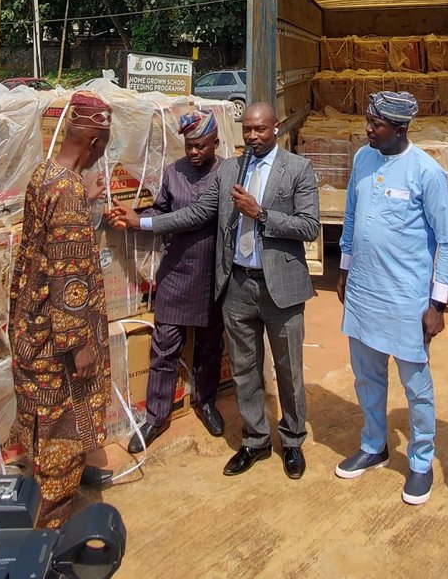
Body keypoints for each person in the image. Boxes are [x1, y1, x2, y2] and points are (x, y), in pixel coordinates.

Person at [107, 101, 319, 480]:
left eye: (261, 129)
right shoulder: (230, 170)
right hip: (237, 285)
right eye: (248, 130)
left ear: (275, 129)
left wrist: (261, 213)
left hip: (280, 288)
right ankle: (255, 439)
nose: (253, 136)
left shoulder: (297, 169)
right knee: (243, 368)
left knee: (288, 370)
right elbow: (196, 213)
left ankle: (292, 441)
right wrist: (142, 222)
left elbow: (309, 227)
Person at [334, 91, 448, 506]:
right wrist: (345, 268)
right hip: (364, 292)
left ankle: (421, 461)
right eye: (368, 120)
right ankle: (374, 444)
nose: (368, 128)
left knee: (416, 387)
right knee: (367, 377)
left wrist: (437, 304)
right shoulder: (362, 159)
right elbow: (351, 216)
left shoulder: (427, 173)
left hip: (407, 300)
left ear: (401, 129)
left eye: (376, 124)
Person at [10, 91, 115, 527]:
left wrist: (83, 199)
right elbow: (69, 279)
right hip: (59, 342)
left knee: (42, 422)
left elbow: (50, 245)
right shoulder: (67, 192)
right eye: (104, 145)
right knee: (63, 432)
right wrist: (79, 345)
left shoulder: (46, 175)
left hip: (31, 325)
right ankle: (49, 533)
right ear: (94, 142)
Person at [121, 108, 227, 453]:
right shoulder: (173, 172)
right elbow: (164, 211)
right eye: (189, 146)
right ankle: (156, 416)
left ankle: (206, 402)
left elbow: (197, 217)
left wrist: (143, 223)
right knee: (164, 347)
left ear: (215, 142)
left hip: (212, 274)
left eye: (201, 146)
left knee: (210, 347)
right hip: (177, 273)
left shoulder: (226, 172)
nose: (194, 152)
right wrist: (132, 217)